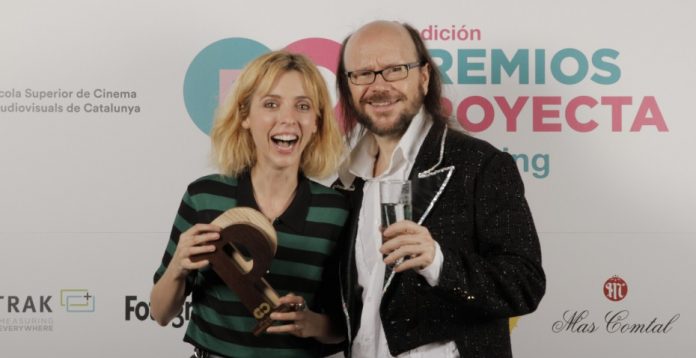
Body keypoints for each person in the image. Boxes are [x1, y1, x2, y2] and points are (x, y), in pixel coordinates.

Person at [332, 20, 546, 358]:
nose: (378, 85)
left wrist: (439, 262)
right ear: (348, 87)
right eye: (362, 74)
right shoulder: (346, 181)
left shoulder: (480, 165)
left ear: (424, 76)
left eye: (394, 69)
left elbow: (524, 284)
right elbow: (363, 307)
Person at [150, 51, 348, 358]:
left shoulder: (336, 211)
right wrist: (177, 266)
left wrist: (310, 323)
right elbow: (161, 313)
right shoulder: (204, 196)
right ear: (245, 116)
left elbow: (346, 327)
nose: (288, 118)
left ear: (316, 122)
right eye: (271, 104)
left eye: (303, 106)